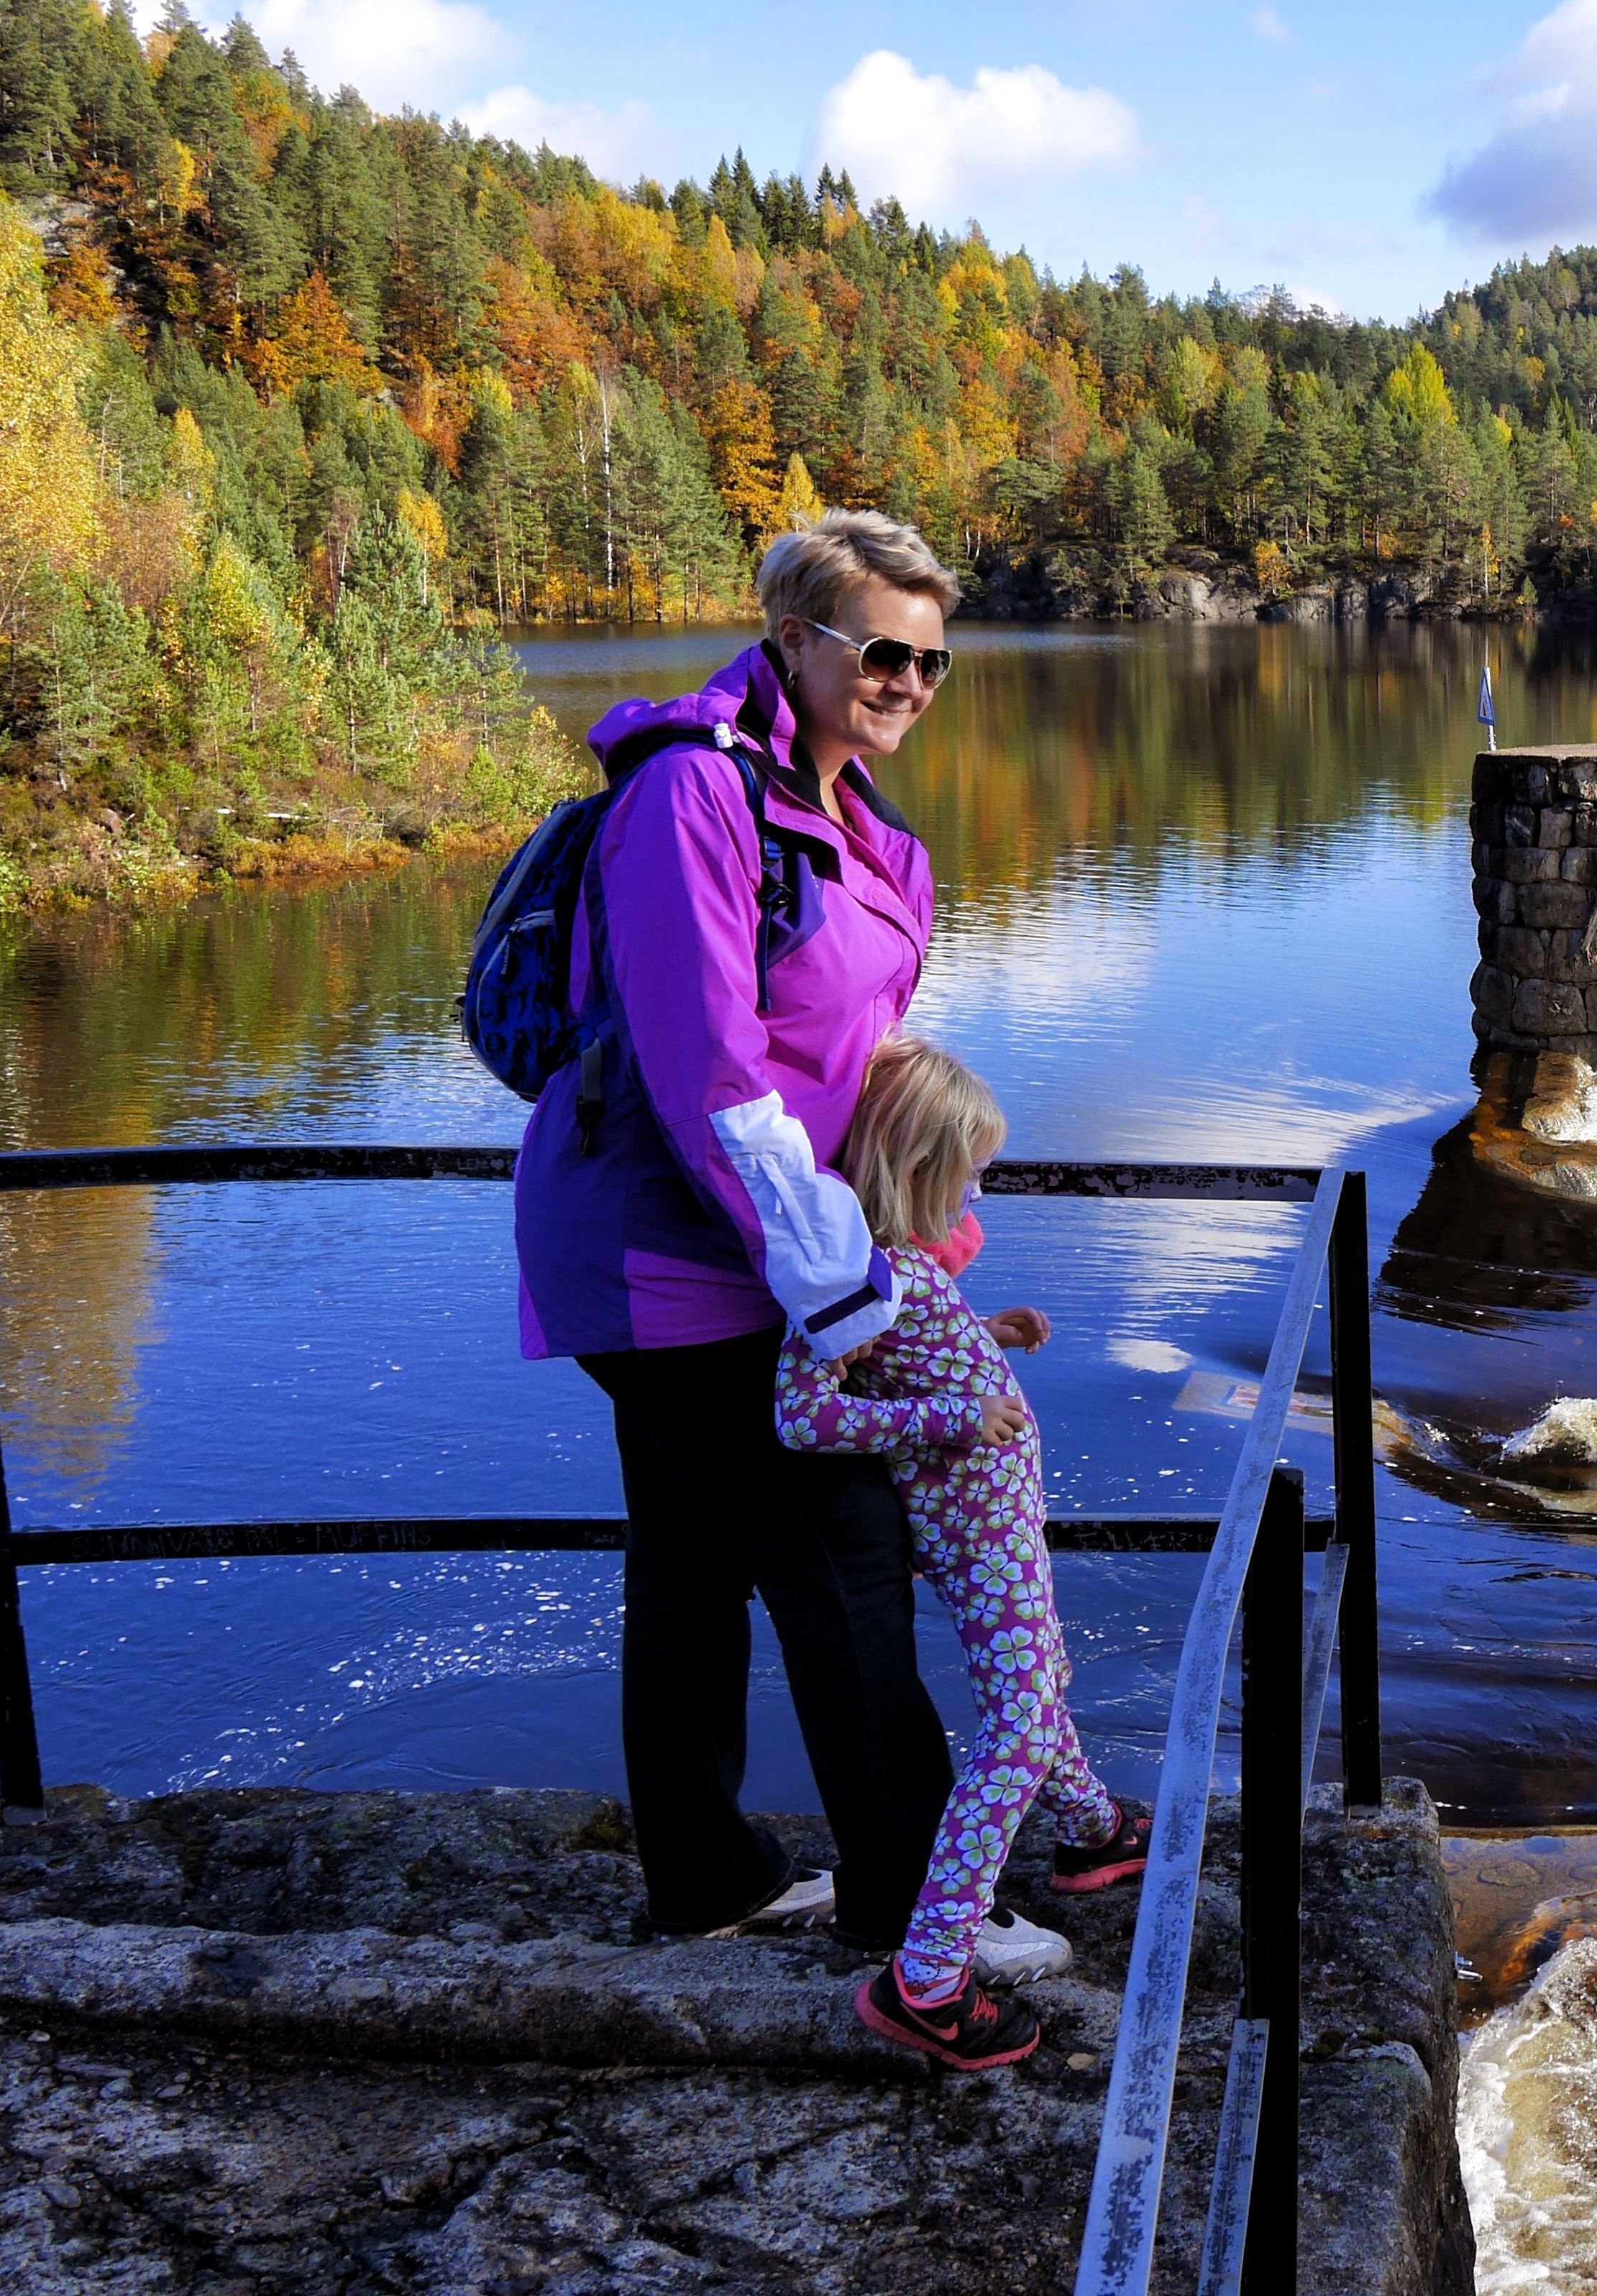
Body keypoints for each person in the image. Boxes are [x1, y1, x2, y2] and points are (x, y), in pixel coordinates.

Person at [513, 510, 1044, 1973]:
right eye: (880, 650)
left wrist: (918, 1219)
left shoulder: (871, 833)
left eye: (932, 661)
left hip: (761, 1248)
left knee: (690, 1556)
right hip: (661, 1252)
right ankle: (916, 1903)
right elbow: (710, 1074)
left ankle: (704, 1877)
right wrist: (850, 1296)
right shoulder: (692, 794)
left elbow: (856, 1060)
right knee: (845, 1548)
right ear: (792, 635)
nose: (906, 683)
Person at [776, 1035, 1153, 2067]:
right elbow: (802, 1416)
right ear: (916, 1165)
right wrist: (952, 1412)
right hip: (973, 1532)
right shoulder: (850, 1273)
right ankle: (929, 1975)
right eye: (970, 1168)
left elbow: (900, 1357)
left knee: (1035, 1681)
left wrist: (987, 1333)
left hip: (994, 1523)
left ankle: (1091, 1833)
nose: (980, 1187)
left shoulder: (891, 1269)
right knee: (1022, 1723)